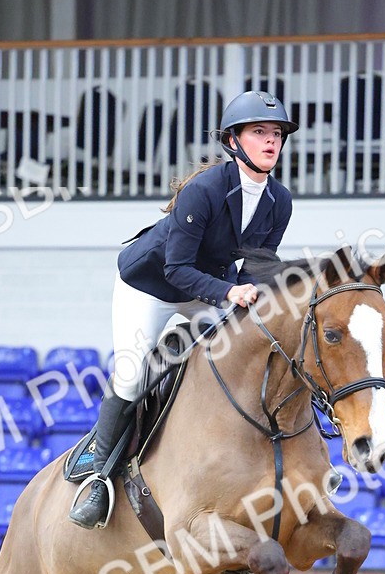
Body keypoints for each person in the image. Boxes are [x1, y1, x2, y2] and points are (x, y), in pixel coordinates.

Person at [69, 90, 298, 529]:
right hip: (151, 286)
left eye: (276, 134)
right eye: (259, 133)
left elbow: (256, 268)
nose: (271, 141)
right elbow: (176, 269)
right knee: (132, 374)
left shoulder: (279, 201)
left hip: (207, 288)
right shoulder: (204, 190)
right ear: (234, 141)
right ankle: (98, 475)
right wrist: (231, 293)